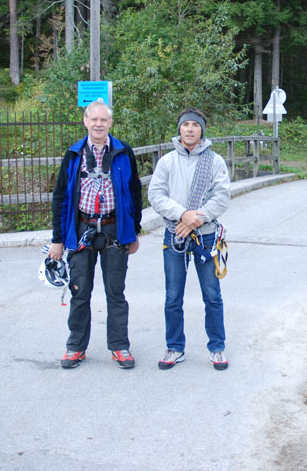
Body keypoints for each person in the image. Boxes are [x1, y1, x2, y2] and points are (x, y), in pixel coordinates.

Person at [48, 99, 143, 369]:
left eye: (104, 120)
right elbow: (60, 198)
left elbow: (135, 194)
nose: (99, 124)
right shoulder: (74, 154)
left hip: (114, 228)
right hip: (81, 229)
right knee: (80, 291)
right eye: (94, 120)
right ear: (85, 122)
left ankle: (120, 346)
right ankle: (75, 347)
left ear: (110, 123)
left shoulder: (124, 152)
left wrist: (134, 231)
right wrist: (57, 239)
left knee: (116, 292)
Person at [148, 107, 231, 371]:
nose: (190, 129)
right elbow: (156, 194)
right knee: (173, 295)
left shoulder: (215, 161)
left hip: (206, 237)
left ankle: (217, 347)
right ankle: (174, 347)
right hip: (175, 234)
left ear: (202, 130)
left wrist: (200, 218)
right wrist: (182, 215)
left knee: (212, 295)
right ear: (179, 130)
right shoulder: (167, 162)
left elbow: (222, 196)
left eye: (195, 125)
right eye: (186, 125)